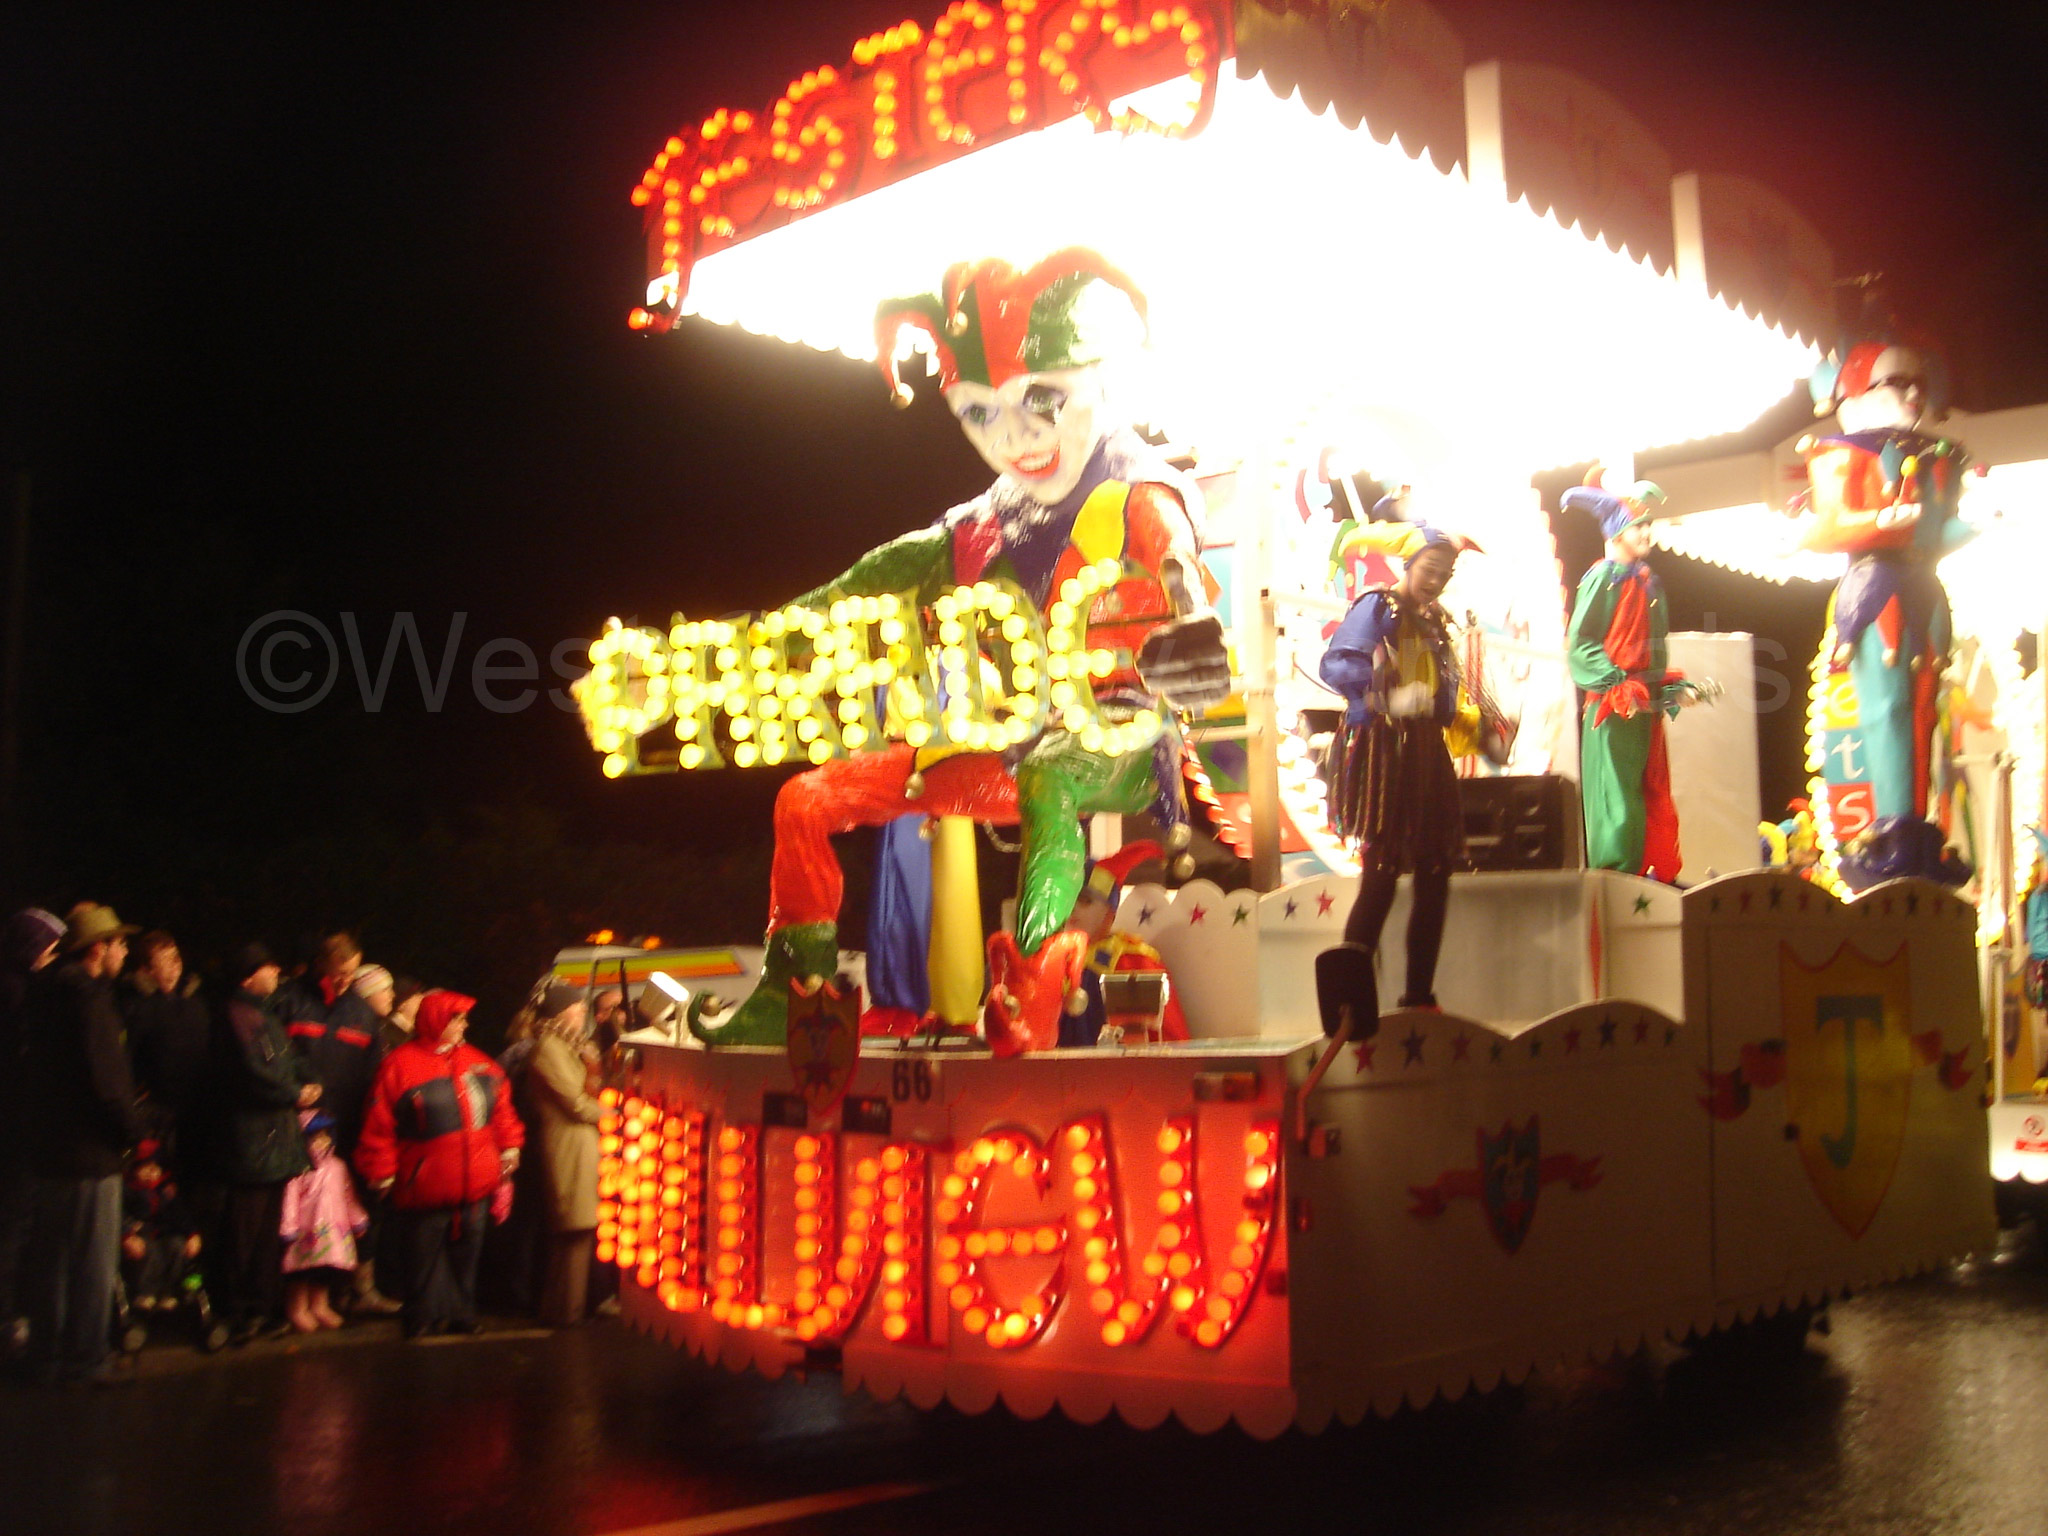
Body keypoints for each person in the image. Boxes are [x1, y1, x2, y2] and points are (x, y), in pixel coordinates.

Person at [697, 249, 1229, 1054]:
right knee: (806, 800)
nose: (1013, 436)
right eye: (979, 413)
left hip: (1120, 739)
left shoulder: (1139, 490)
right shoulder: (987, 521)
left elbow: (1176, 560)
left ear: (1096, 381)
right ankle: (794, 994)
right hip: (1008, 743)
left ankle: (1031, 996)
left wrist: (1191, 625)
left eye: (1041, 399)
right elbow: (881, 571)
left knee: (1050, 774)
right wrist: (763, 640)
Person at [1319, 519, 1504, 1026]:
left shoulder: (1436, 623)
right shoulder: (1377, 607)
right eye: (1430, 569)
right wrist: (1385, 697)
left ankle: (1419, 997)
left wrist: (1484, 735)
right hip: (1384, 749)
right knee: (1379, 876)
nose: (1436, 581)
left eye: (1445, 573)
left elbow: (1446, 703)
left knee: (1436, 874)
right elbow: (1337, 663)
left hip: (1425, 754)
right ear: (1409, 564)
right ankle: (1348, 1005)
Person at [17, 903, 145, 1384]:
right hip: (91, 1151)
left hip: (51, 1148)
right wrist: (133, 1131)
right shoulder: (90, 1000)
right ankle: (86, 1357)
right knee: (92, 1259)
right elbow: (107, 1082)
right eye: (119, 944)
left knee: (51, 1258)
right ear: (98, 949)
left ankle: (45, 1354)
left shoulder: (43, 994)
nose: (124, 952)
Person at [355, 990, 523, 1339]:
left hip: (476, 1179)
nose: (464, 1025)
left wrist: (510, 1148)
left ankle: (462, 1313)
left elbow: (502, 1112)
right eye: (456, 1019)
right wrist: (381, 1171)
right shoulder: (399, 1065)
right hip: (425, 1181)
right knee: (423, 1253)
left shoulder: (480, 1063)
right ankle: (422, 1316)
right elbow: (379, 1124)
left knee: (468, 1252)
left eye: (463, 1019)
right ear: (435, 1020)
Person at [1564, 471, 1698, 882]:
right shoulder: (1602, 579)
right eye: (1639, 526)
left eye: (1648, 525)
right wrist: (1616, 683)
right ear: (1616, 531)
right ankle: (1617, 877)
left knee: (1651, 788)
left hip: (1643, 708)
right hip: (1613, 707)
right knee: (1616, 797)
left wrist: (1670, 687)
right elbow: (1581, 643)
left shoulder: (1649, 583)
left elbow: (1654, 650)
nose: (1647, 534)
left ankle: (1650, 873)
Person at [277, 931, 398, 1314]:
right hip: (299, 1130)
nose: (345, 980)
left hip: (347, 1128)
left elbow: (373, 1076)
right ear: (321, 965)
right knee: (300, 1216)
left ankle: (343, 1292)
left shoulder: (360, 1013)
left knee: (345, 1213)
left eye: (351, 973)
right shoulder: (290, 1001)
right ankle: (293, 1299)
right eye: (339, 972)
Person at [206, 942, 319, 1345]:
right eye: (269, 968)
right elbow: (251, 1073)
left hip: (270, 1141)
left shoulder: (262, 1015)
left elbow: (288, 1061)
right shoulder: (237, 1016)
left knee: (267, 1229)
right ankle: (238, 1310)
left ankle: (261, 1306)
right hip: (252, 1143)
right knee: (245, 1229)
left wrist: (308, 1079)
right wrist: (293, 1092)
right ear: (249, 975)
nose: (276, 974)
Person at [0, 908, 65, 1355]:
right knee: (15, 1221)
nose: (53, 959)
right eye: (49, 949)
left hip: (23, 1122)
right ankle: (9, 1315)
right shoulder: (17, 995)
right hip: (19, 1125)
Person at [527, 985, 602, 1328]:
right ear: (560, 1012)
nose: (582, 1011)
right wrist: (615, 1115)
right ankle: (567, 1314)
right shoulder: (549, 1048)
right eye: (576, 1006)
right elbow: (576, 1102)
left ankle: (563, 1309)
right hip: (568, 1148)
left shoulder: (568, 1046)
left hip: (580, 1146)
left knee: (576, 1231)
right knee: (574, 1229)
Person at [120, 931, 213, 1164]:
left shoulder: (194, 1001)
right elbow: (127, 1062)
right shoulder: (136, 1008)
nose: (176, 962)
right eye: (166, 957)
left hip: (200, 1110)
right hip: (161, 1117)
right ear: (147, 970)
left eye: (176, 955)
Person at [280, 1111, 367, 1332]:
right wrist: (288, 1227)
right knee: (301, 1271)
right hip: (306, 1230)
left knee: (325, 1270)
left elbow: (348, 1195)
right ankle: (297, 1308)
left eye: (325, 1135)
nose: (322, 1141)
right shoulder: (299, 1169)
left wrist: (357, 1218)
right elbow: (290, 1200)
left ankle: (320, 1305)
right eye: (315, 1137)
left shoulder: (338, 1166)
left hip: (332, 1229)